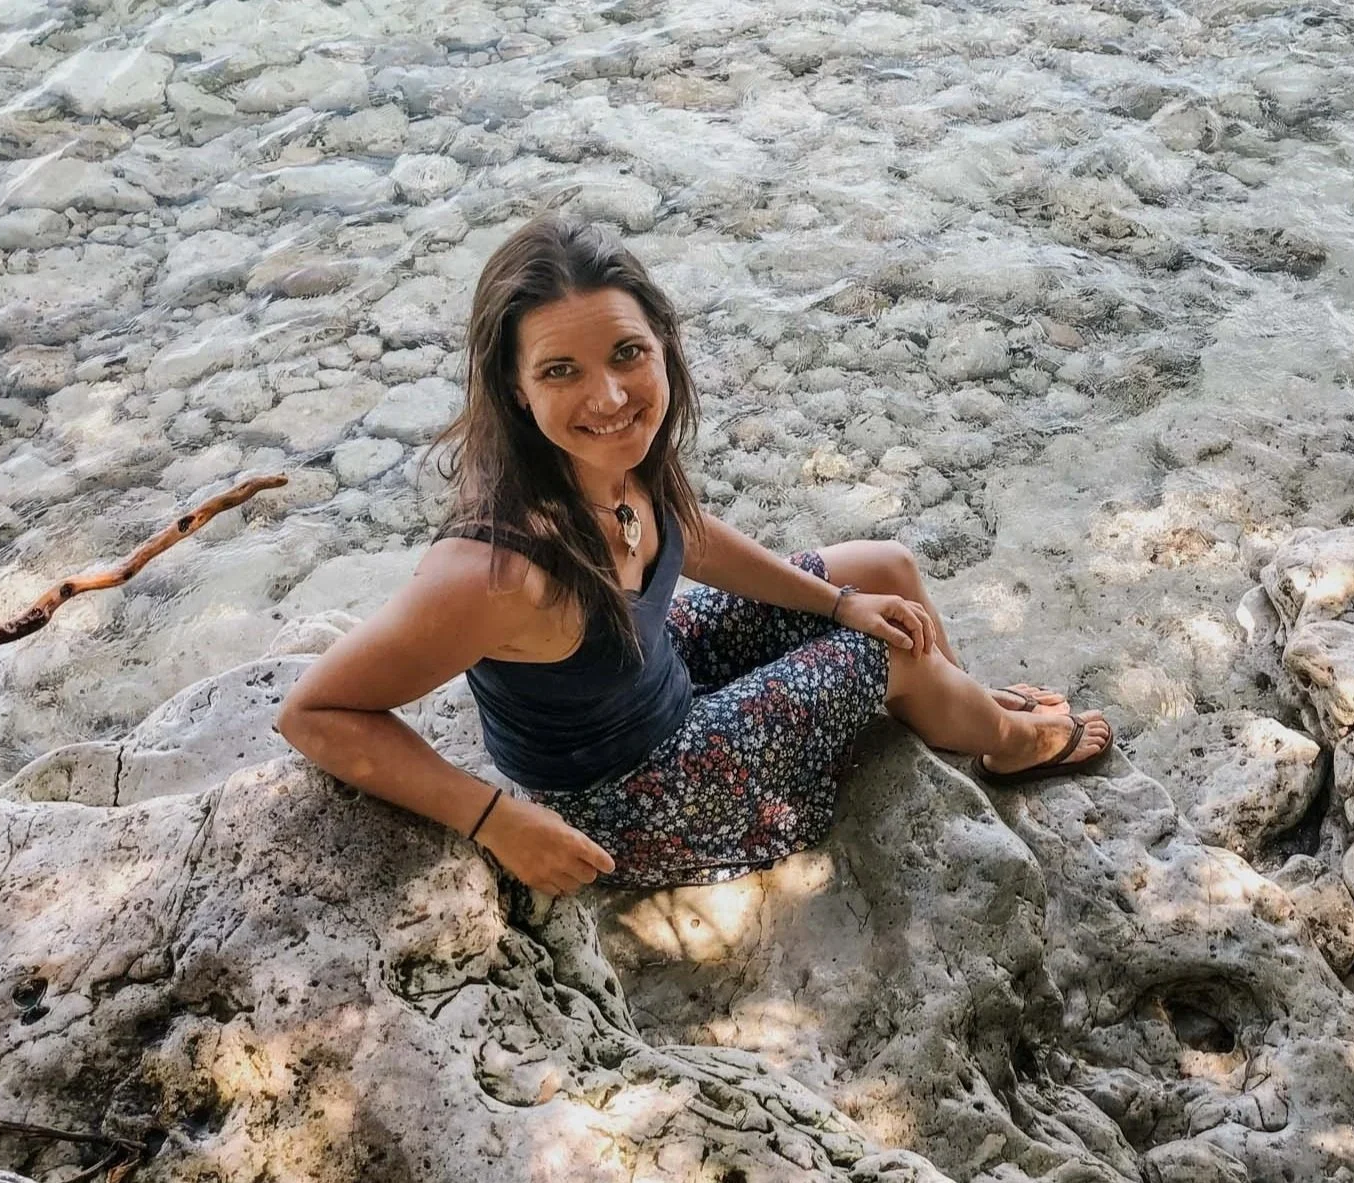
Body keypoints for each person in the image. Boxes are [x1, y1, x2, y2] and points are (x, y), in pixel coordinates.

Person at [278, 213, 1114, 897]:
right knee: (883, 650)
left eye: (627, 354)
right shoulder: (495, 573)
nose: (607, 396)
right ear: (514, 387)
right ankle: (1001, 737)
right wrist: (493, 818)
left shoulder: (613, 460)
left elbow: (689, 535)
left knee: (884, 570)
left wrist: (833, 601)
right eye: (561, 370)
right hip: (635, 799)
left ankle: (947, 708)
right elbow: (313, 712)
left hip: (657, 671)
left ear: (664, 345)